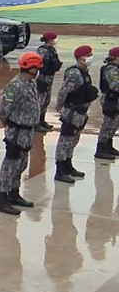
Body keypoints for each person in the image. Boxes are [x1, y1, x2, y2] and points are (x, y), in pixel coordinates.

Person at [0, 52, 42, 215]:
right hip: (16, 132)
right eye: (37, 68)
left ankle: (14, 194)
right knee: (10, 165)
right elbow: (3, 110)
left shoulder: (30, 83)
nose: (38, 71)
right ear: (31, 68)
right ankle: (2, 200)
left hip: (27, 131)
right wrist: (7, 122)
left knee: (21, 164)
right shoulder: (15, 86)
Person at [54, 45, 99, 183]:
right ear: (81, 58)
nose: (91, 57)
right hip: (72, 112)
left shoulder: (84, 71)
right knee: (65, 141)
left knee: (73, 140)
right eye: (88, 55)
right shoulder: (75, 73)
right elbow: (64, 91)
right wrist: (60, 106)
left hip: (80, 112)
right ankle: (60, 170)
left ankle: (68, 165)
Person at [35, 32, 63, 133]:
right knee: (40, 101)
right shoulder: (42, 50)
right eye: (54, 38)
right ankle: (36, 123)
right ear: (50, 39)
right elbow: (39, 64)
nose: (56, 40)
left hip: (49, 77)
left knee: (46, 100)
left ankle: (42, 120)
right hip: (42, 78)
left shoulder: (51, 49)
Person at [95, 47, 119, 161]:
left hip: (115, 100)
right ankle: (101, 149)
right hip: (110, 100)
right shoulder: (110, 69)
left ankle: (108, 146)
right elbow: (115, 85)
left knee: (114, 124)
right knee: (107, 125)